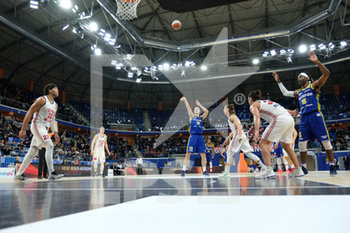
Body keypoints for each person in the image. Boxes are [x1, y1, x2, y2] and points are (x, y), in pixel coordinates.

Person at [273, 51, 337, 175]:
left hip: (315, 115)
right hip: (304, 118)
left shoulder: (314, 86)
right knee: (302, 144)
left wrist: (317, 62)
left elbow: (327, 73)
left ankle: (332, 164)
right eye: (298, 78)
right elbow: (286, 93)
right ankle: (303, 167)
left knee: (326, 142)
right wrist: (278, 81)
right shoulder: (299, 92)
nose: (299, 78)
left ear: (307, 78)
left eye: (301, 76)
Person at [248, 90, 304, 178]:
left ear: (250, 99)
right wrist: (292, 113)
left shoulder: (253, 105)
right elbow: (282, 109)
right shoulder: (267, 102)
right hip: (289, 119)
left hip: (279, 119)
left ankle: (269, 170)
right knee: (286, 146)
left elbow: (256, 116)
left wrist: (256, 131)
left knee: (262, 143)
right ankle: (298, 169)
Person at [15, 83, 63, 181]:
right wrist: (23, 129)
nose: (58, 91)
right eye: (56, 89)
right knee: (49, 145)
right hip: (37, 125)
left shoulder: (55, 105)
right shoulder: (42, 100)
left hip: (44, 128)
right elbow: (29, 112)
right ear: (50, 90)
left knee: (32, 152)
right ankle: (52, 173)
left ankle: (18, 174)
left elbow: (52, 119)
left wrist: (56, 133)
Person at [221, 104, 266, 177]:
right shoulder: (232, 117)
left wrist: (240, 136)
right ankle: (263, 167)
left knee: (229, 151)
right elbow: (233, 130)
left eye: (224, 108)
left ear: (228, 109)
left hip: (238, 135)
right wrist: (228, 138)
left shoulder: (232, 117)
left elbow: (239, 126)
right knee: (248, 153)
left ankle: (226, 172)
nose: (223, 110)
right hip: (242, 136)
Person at [180, 97, 209, 176]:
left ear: (199, 111)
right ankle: (183, 170)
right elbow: (188, 108)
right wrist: (186, 100)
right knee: (188, 153)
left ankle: (204, 171)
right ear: (193, 111)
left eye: (198, 109)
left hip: (200, 137)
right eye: (195, 109)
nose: (196, 109)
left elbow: (206, 111)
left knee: (203, 154)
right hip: (193, 136)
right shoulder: (192, 116)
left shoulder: (201, 118)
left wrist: (199, 105)